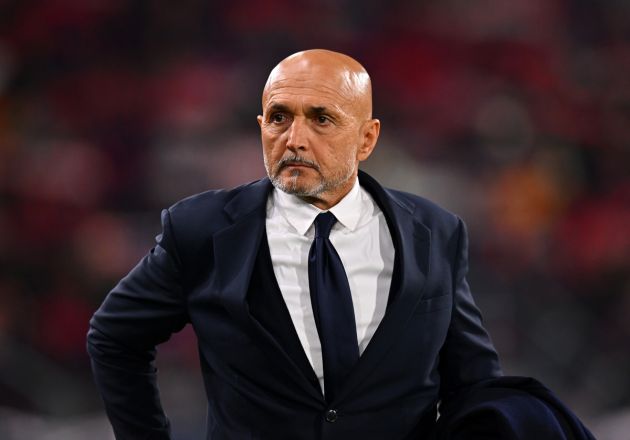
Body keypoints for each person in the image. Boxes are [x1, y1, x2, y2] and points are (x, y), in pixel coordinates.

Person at [87, 50, 591, 440]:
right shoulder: (201, 229)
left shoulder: (435, 233)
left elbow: (473, 381)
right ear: (261, 127)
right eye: (279, 117)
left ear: (367, 139)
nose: (294, 138)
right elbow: (114, 337)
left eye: (321, 119)